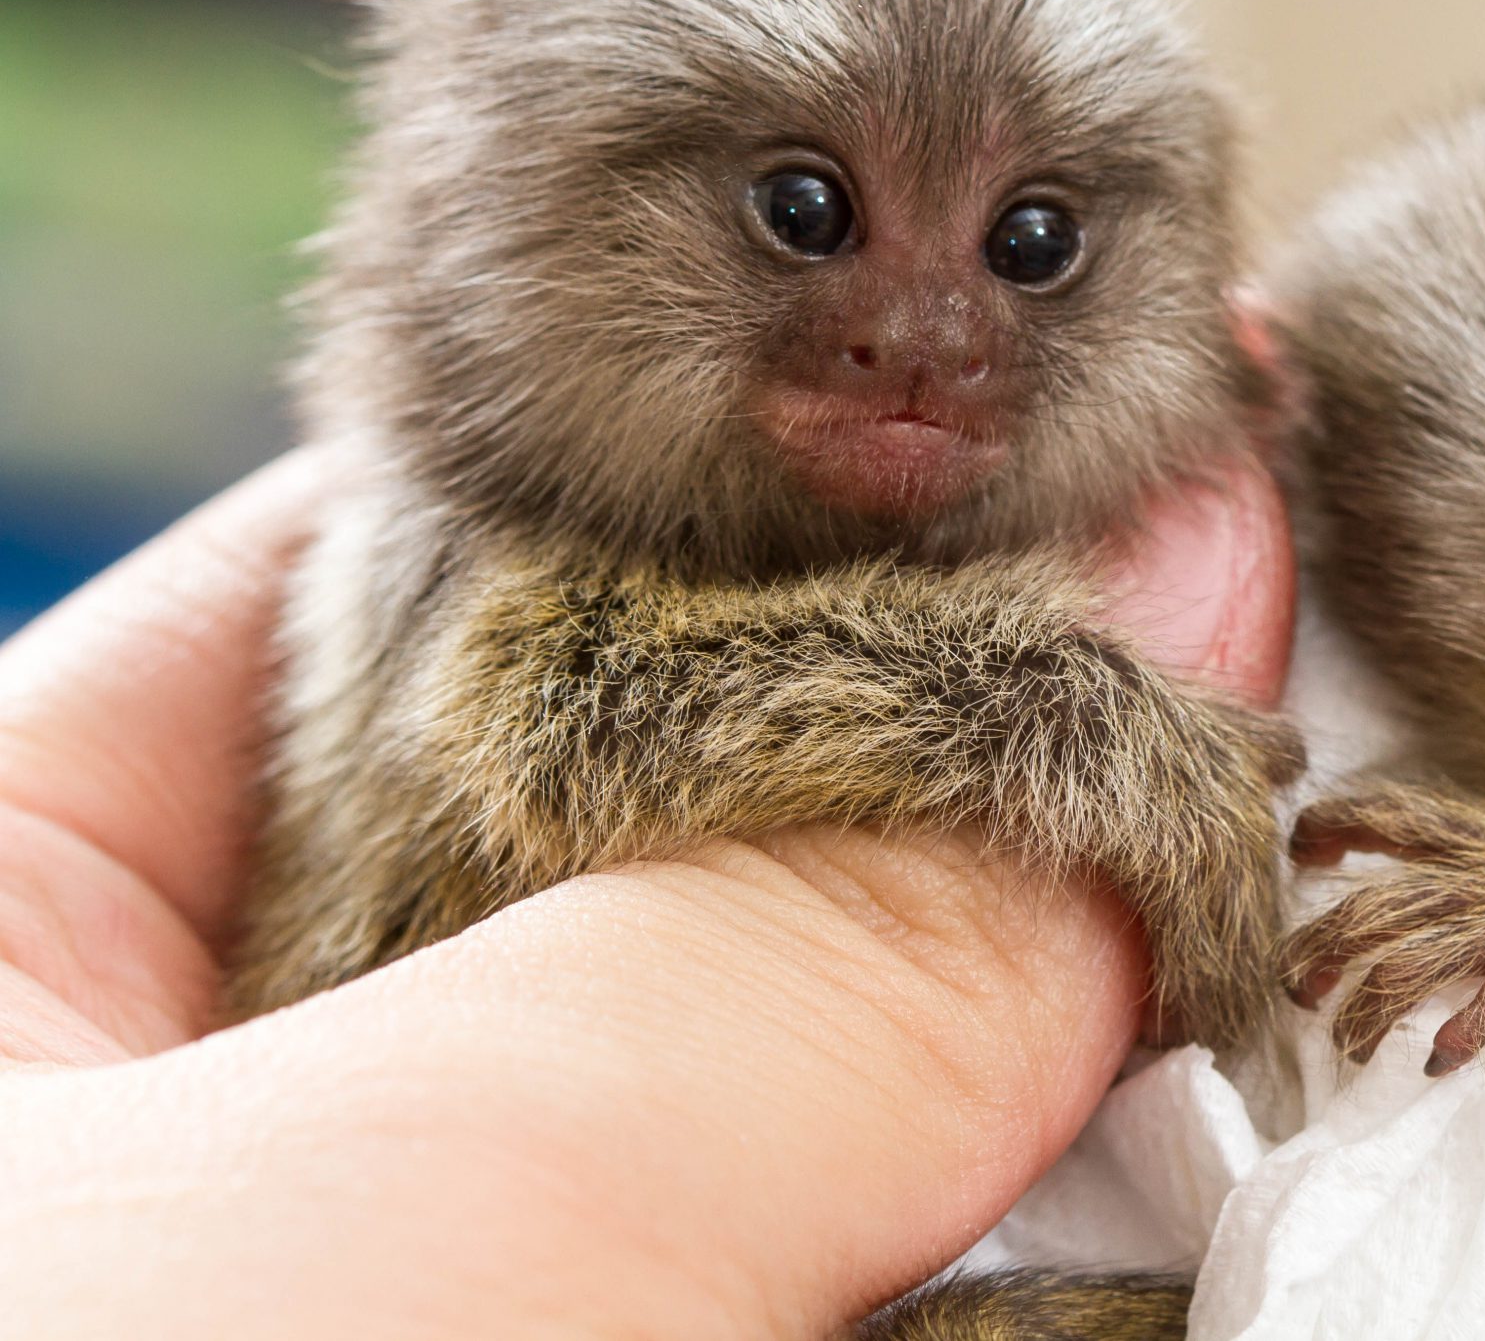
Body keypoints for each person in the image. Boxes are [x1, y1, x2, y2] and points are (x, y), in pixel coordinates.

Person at [0, 449, 1295, 1338]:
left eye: (1031, 249)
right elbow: (554, 723)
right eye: (801, 216)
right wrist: (1046, 708)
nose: (921, 336)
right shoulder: (512, 484)